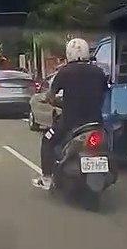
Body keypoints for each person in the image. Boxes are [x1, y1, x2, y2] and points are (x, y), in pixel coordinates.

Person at [33, 37, 110, 190]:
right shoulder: (99, 72)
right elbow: (105, 93)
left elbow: (51, 95)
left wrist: (50, 100)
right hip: (95, 122)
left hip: (70, 122)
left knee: (47, 140)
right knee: (106, 144)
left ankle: (46, 177)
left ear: (69, 53)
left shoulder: (64, 72)